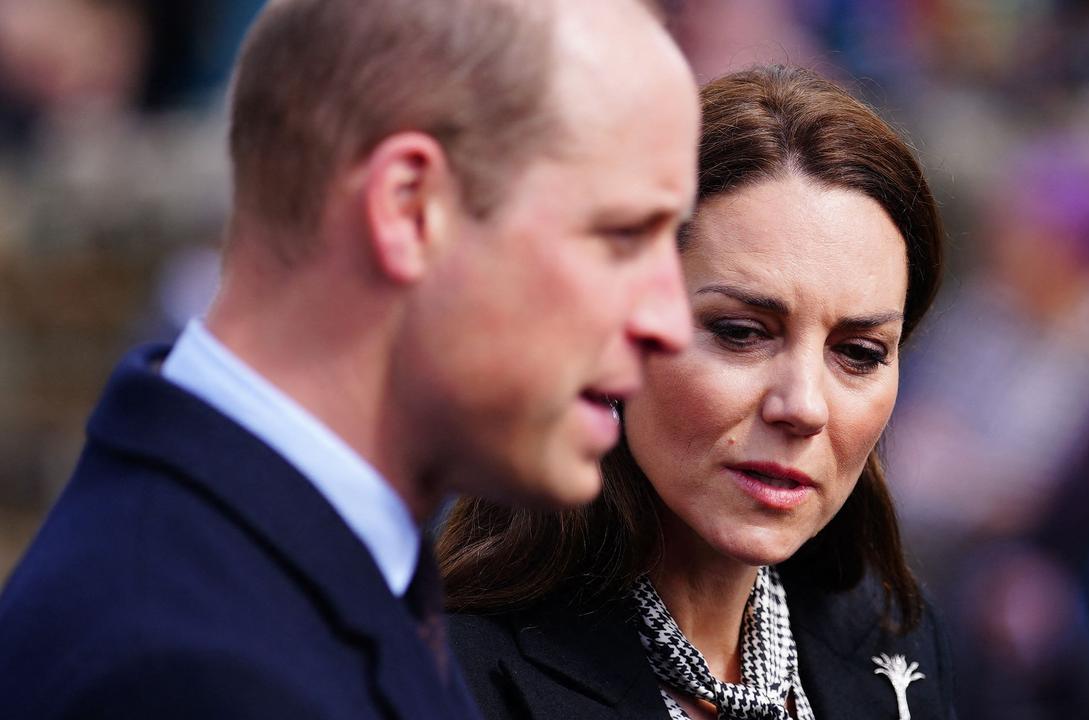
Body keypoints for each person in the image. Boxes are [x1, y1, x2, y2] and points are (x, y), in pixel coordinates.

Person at [0, 0, 698, 718]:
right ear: (408, 208)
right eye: (622, 237)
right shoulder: (190, 673)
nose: (669, 322)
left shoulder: (295, 574)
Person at [440, 65, 955, 720]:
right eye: (741, 333)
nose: (802, 405)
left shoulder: (895, 643)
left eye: (859, 353)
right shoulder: (451, 675)